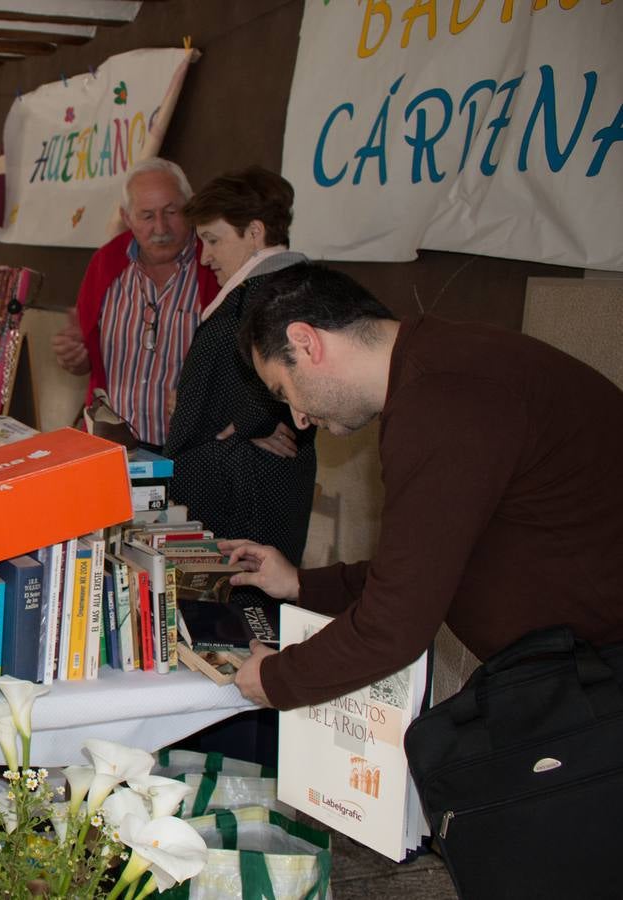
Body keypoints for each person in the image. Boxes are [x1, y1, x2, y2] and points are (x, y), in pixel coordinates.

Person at [225, 263, 623, 711]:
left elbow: (393, 626)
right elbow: (423, 564)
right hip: (574, 670)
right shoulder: (440, 363)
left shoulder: (441, 403)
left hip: (600, 678)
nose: (297, 417)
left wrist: (278, 678)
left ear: (306, 341)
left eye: (285, 389)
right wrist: (301, 583)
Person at [164, 166, 315, 565]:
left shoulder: (271, 296)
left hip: (244, 495)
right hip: (248, 486)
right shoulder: (280, 289)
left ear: (254, 232)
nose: (206, 256)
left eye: (213, 240)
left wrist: (254, 421)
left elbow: (304, 370)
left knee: (242, 610)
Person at [51, 158, 218, 446]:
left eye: (171, 211)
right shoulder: (105, 265)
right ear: (127, 218)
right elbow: (88, 364)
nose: (161, 227)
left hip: (191, 449)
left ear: (191, 208)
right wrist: (76, 358)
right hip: (114, 446)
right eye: (147, 216)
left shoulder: (215, 268)